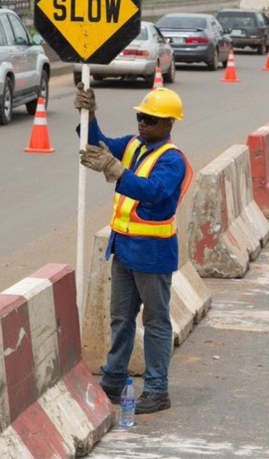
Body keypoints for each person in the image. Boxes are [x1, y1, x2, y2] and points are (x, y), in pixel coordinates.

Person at [74, 84, 193, 414]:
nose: (143, 124)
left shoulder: (172, 160)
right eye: (141, 117)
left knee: (155, 323)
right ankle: (112, 381)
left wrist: (115, 170)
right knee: (121, 319)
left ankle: (157, 389)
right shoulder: (133, 146)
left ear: (168, 124)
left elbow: (154, 191)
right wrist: (89, 115)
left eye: (151, 120)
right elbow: (97, 147)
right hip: (124, 249)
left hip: (152, 254)